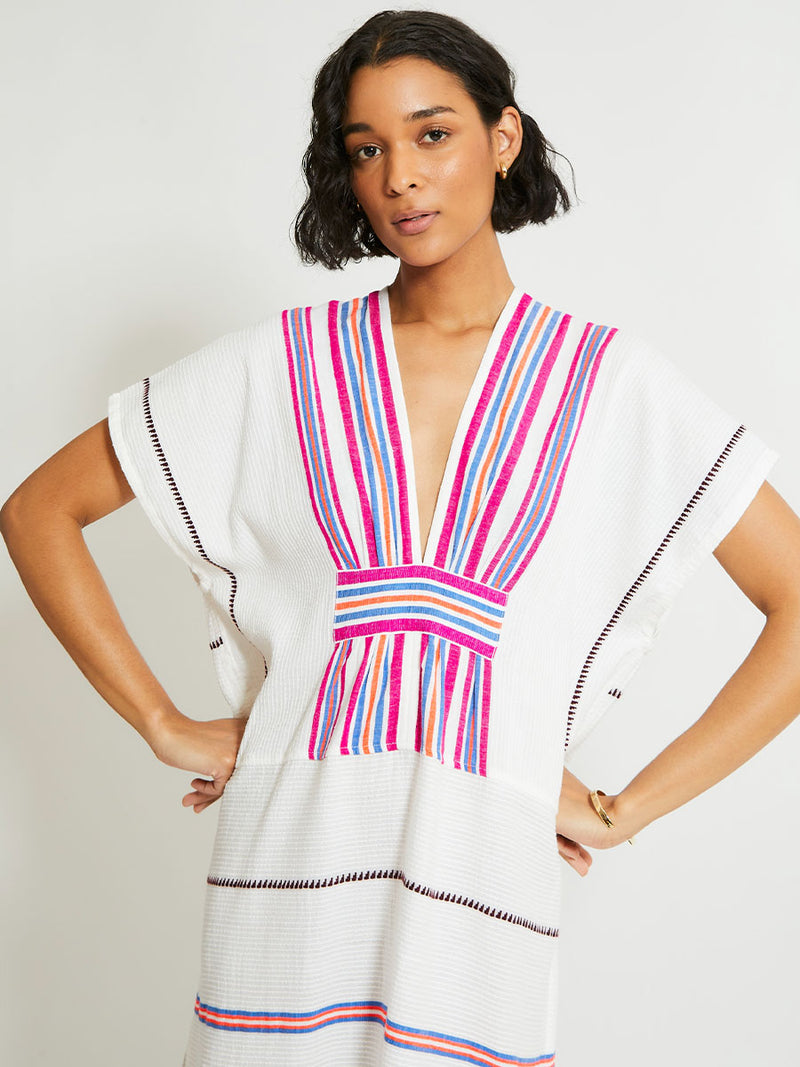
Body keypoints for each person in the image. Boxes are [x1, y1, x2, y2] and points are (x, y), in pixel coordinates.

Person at [2, 8, 799, 1065]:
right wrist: (161, 720)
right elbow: (36, 510)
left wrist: (627, 804)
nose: (400, 179)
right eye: (366, 149)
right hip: (285, 882)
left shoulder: (609, 386)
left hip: (478, 892)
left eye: (432, 135)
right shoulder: (276, 368)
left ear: (501, 138)